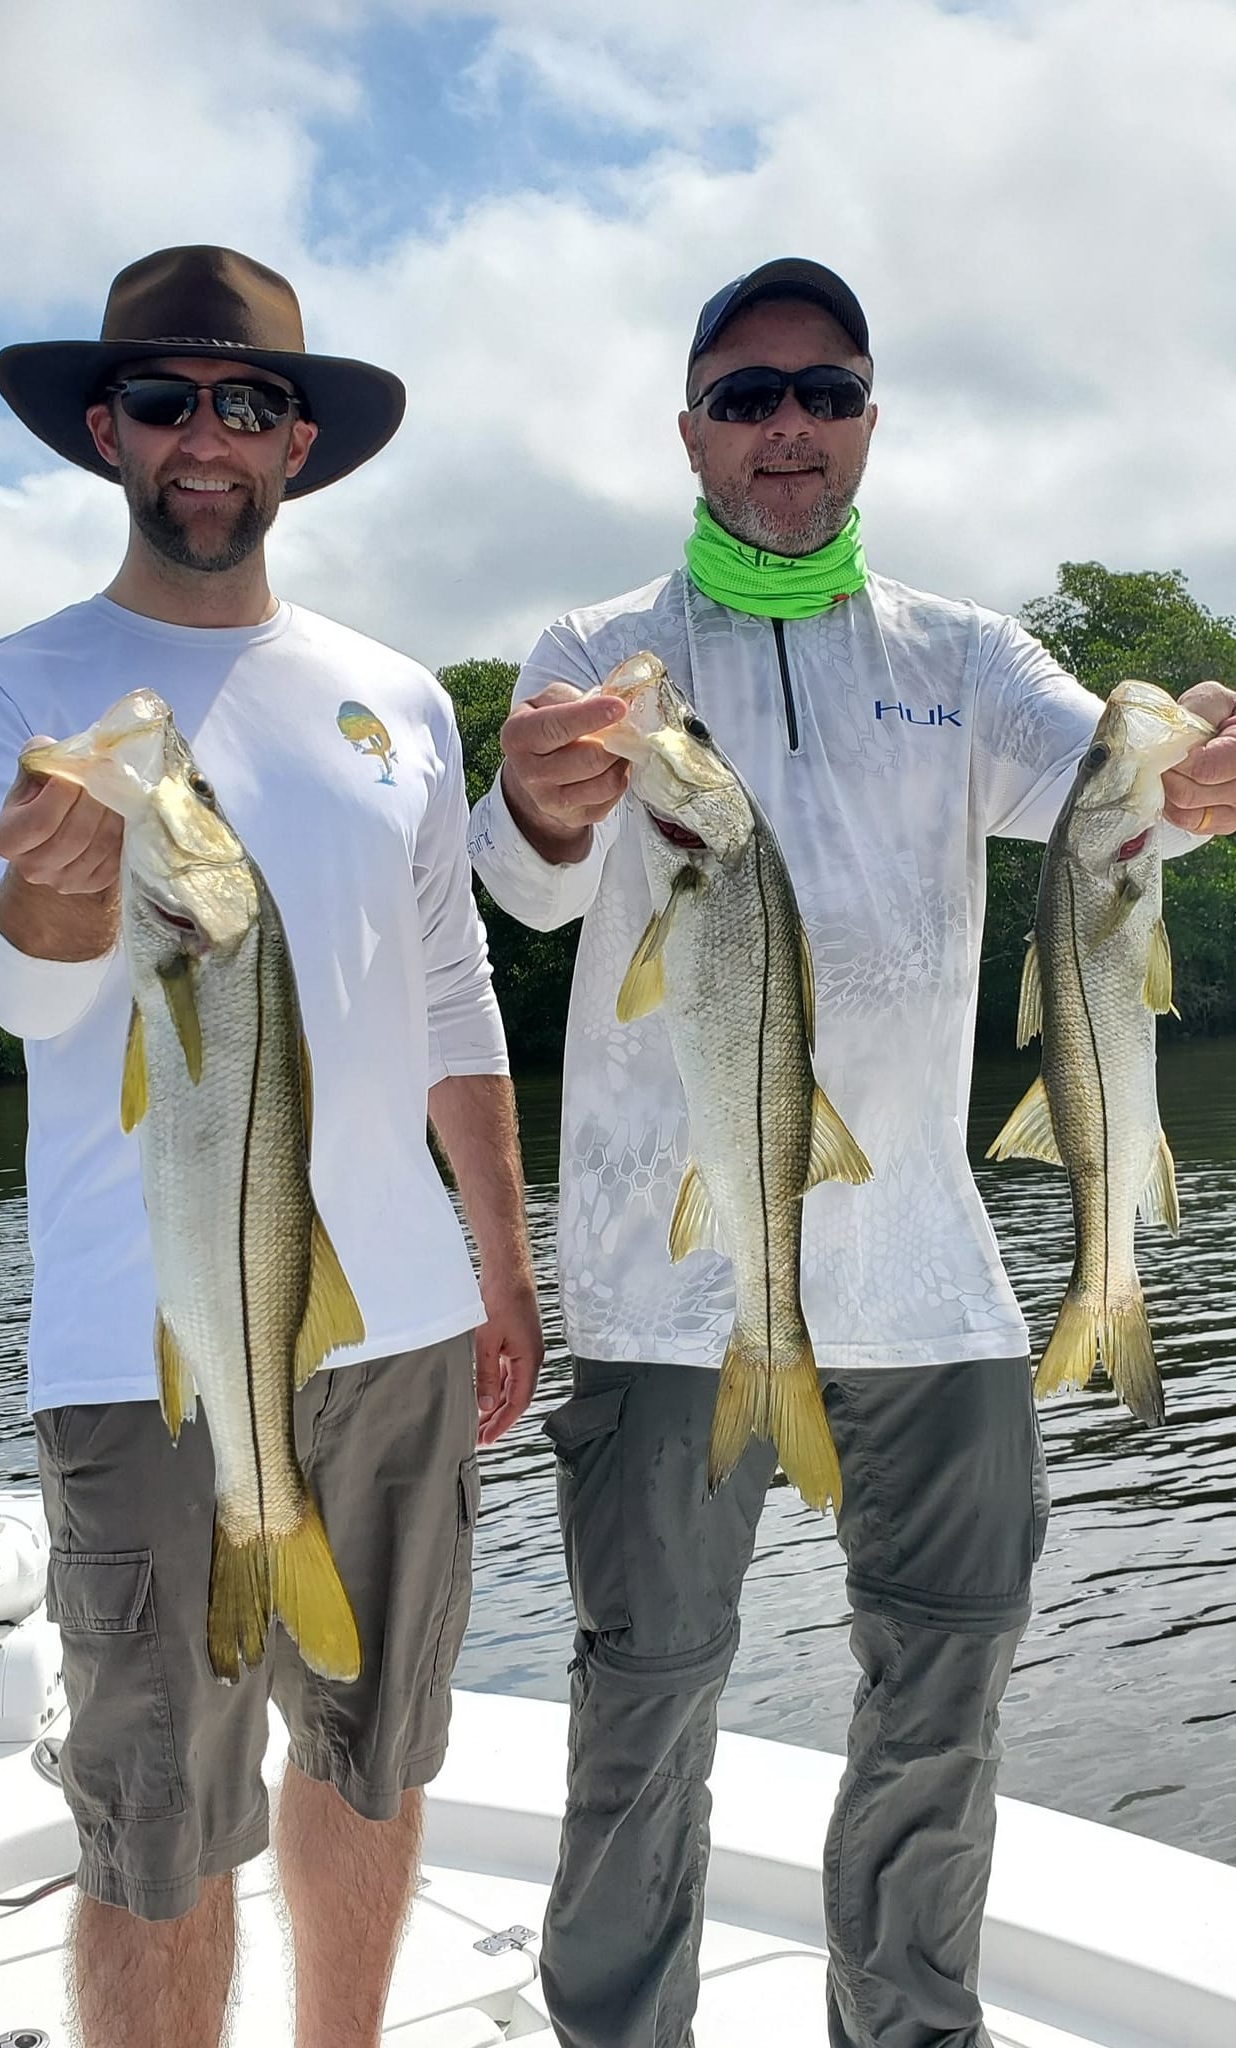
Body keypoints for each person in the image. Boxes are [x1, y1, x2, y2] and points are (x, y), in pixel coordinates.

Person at [468, 256, 1236, 2048]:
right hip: (667, 1289)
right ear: (690, 430)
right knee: (644, 1693)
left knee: (941, 1690)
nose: (786, 426)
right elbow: (522, 882)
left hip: (935, 1276)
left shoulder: (966, 655)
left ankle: (904, 2026)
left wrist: (1190, 782)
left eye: (823, 392)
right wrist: (530, 798)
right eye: (746, 396)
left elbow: (1107, 815)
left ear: (869, 422)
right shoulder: (599, 652)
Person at [0, 244, 542, 2048]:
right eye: (163, 401)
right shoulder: (15, 694)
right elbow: (21, 993)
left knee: (374, 1760)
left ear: (298, 443)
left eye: (245, 404)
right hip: (148, 1359)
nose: (203, 438)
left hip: (404, 1336)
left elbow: (456, 1001)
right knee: (159, 1825)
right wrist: (61, 906)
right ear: (102, 430)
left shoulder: (401, 699)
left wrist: (506, 1272)